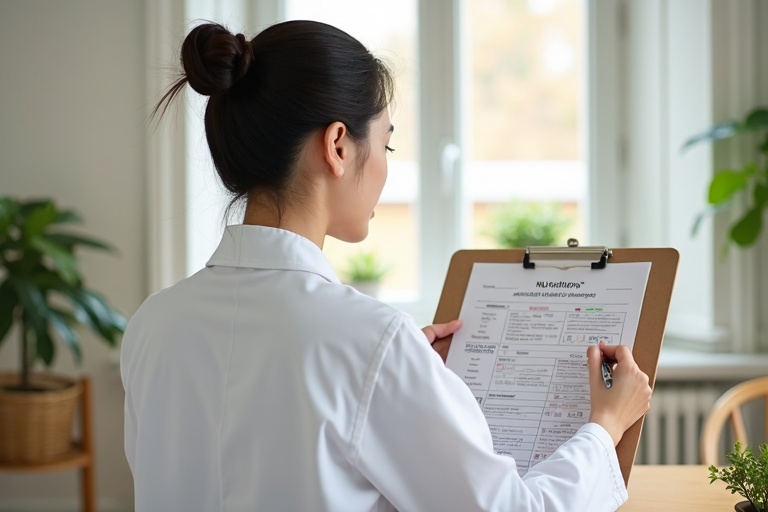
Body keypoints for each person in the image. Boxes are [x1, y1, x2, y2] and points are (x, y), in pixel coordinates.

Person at [121, 19, 652, 512]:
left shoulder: (152, 325)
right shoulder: (372, 343)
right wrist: (604, 427)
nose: (386, 166)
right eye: (386, 144)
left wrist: (394, 373)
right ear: (337, 145)